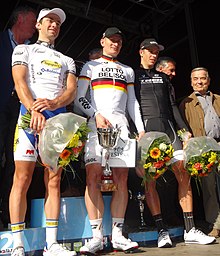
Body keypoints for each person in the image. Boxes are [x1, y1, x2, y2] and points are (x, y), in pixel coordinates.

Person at [134, 38, 216, 248]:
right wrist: (134, 131)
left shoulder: (163, 78)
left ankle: (190, 229)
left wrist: (184, 131)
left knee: (183, 173)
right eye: (150, 51)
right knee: (150, 179)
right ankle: (162, 230)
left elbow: (171, 106)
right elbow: (130, 106)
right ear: (141, 52)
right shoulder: (133, 75)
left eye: (156, 52)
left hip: (169, 130)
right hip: (147, 131)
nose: (153, 55)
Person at [9, 7, 77, 256]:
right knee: (22, 179)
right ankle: (17, 243)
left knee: (54, 180)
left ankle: (52, 244)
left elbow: (70, 92)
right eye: (49, 20)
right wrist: (33, 111)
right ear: (38, 24)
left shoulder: (67, 59)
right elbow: (20, 82)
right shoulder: (23, 49)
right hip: (29, 118)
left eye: (58, 23)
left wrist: (54, 104)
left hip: (56, 122)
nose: (54, 25)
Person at [75, 27, 145, 254]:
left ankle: (117, 235)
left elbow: (132, 102)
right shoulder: (90, 66)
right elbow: (78, 98)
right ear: (102, 41)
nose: (115, 44)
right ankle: (96, 237)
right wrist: (95, 114)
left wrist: (140, 129)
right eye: (112, 40)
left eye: (119, 42)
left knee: (121, 179)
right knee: (93, 177)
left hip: (122, 129)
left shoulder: (127, 70)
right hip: (97, 126)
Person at [0, 5, 36, 228]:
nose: (35, 27)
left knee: (16, 163)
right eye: (33, 22)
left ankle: (7, 210)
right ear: (20, 19)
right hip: (1, 107)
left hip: (22, 111)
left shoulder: (33, 50)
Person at [179, 67, 220, 238]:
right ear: (191, 82)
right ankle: (216, 223)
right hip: (202, 149)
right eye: (195, 79)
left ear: (209, 81)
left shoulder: (218, 99)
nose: (199, 82)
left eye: (203, 78)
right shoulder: (185, 103)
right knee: (209, 188)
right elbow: (182, 128)